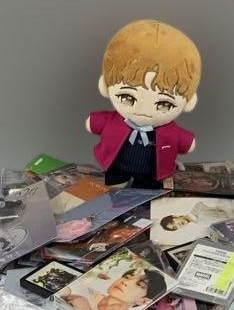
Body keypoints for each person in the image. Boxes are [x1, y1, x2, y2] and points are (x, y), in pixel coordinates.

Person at [86, 20, 200, 188]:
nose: (144, 111)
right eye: (127, 97)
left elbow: (186, 143)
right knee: (111, 192)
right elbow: (94, 123)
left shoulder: (171, 132)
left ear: (188, 102)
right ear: (105, 86)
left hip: (150, 173)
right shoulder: (112, 121)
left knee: (146, 196)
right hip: (117, 168)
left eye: (164, 104)